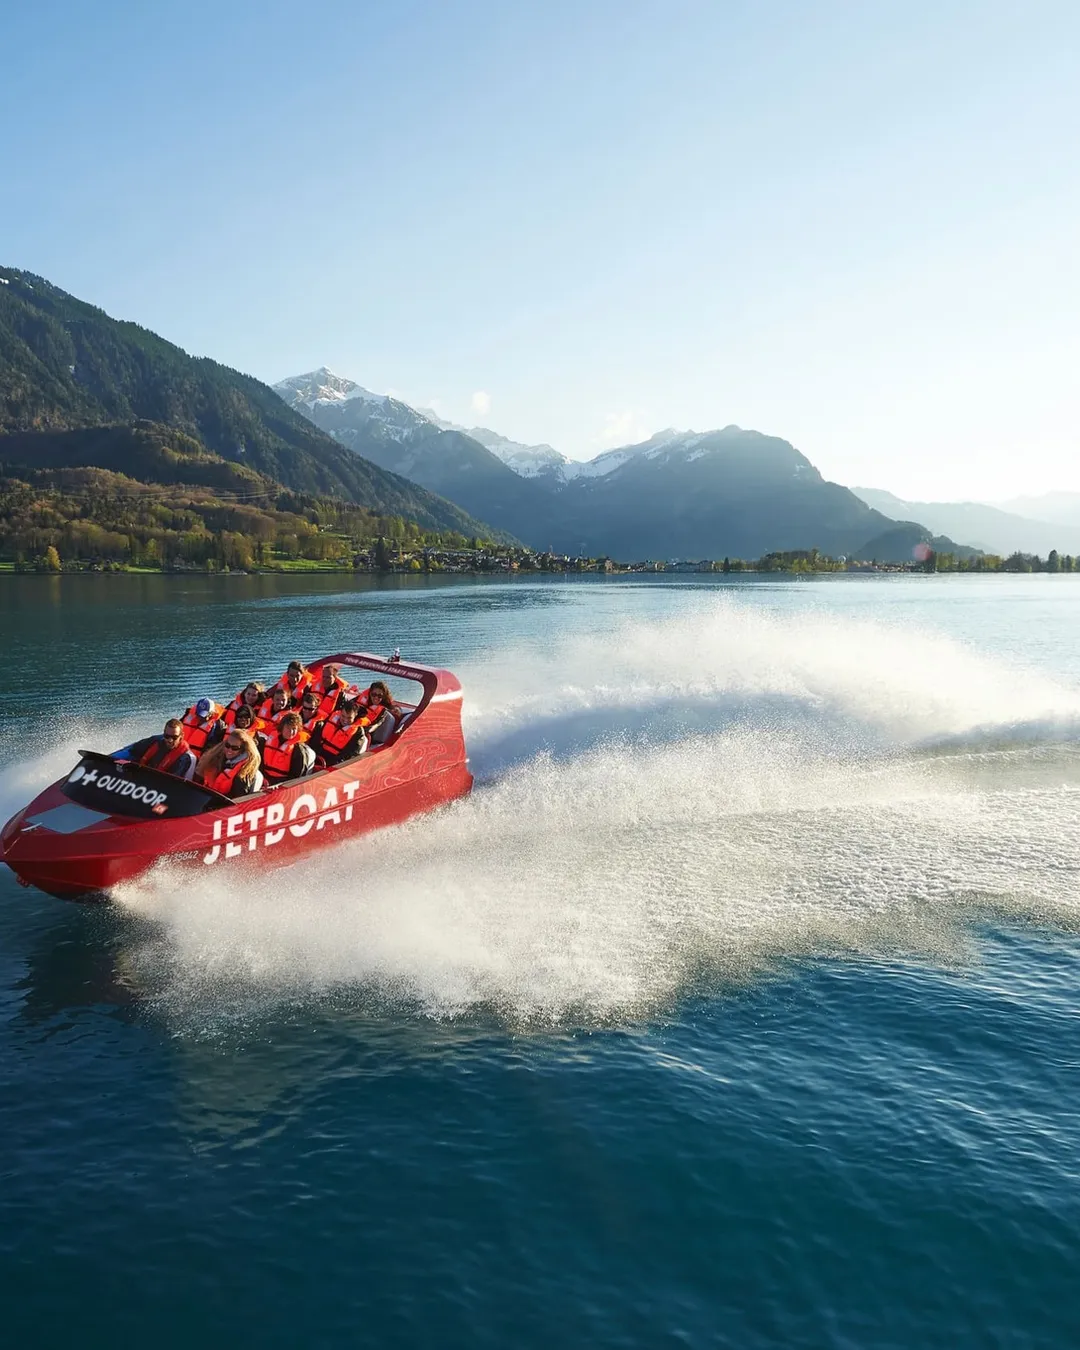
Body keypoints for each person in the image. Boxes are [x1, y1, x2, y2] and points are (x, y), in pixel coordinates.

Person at [119, 718, 197, 780]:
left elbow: (173, 783)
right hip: (141, 778)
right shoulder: (155, 741)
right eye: (167, 736)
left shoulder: (185, 758)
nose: (170, 740)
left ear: (181, 736)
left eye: (174, 737)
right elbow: (132, 750)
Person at [196, 729, 264, 799]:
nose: (229, 750)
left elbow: (238, 800)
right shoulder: (216, 759)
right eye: (227, 745)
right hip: (206, 798)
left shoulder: (243, 774)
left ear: (242, 750)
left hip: (223, 805)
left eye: (235, 748)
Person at [310, 699, 369, 767]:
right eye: (343, 716)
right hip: (318, 755)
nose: (345, 720)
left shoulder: (358, 733)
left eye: (349, 718)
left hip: (336, 763)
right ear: (340, 713)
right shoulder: (332, 718)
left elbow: (350, 754)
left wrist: (332, 764)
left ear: (355, 715)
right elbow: (317, 737)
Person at [261, 711, 315, 784]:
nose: (291, 731)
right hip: (264, 778)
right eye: (288, 727)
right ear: (282, 727)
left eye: (294, 729)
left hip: (282, 783)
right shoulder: (270, 740)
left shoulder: (298, 749)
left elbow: (296, 776)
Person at [355, 680, 400, 745]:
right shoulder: (362, 697)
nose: (376, 697)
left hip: (363, 734)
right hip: (348, 725)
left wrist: (358, 731)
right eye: (374, 694)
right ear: (370, 693)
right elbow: (348, 706)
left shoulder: (382, 710)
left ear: (383, 696)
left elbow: (375, 725)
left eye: (379, 696)